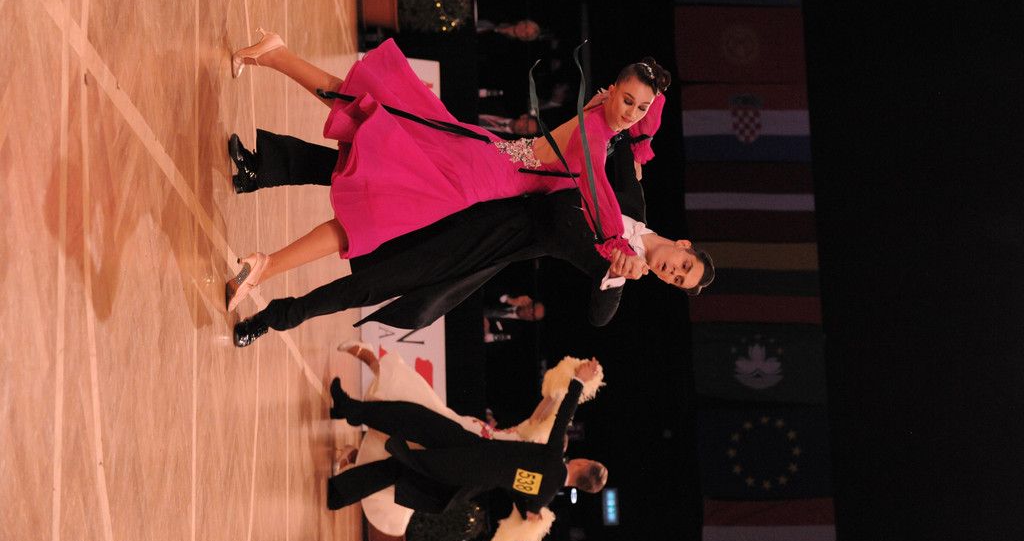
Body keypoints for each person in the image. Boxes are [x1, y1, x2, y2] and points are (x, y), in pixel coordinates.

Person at [224, 31, 667, 313]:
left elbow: (654, 106)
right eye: (628, 101)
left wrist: (640, 145)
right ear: (613, 90)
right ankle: (264, 266)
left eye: (640, 107)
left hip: (481, 153)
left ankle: (277, 54)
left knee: (371, 113)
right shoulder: (595, 138)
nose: (632, 113)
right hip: (469, 180)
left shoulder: (603, 114)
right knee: (371, 220)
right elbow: (601, 199)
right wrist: (618, 248)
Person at [228, 130, 715, 346]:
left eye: (676, 281)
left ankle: (275, 317)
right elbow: (618, 132)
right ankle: (263, 168)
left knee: (372, 284)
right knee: (380, 171)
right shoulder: (633, 201)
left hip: (478, 242)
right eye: (683, 267)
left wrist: (614, 276)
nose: (673, 272)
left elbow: (600, 317)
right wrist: (642, 118)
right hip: (485, 184)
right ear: (684, 246)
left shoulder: (619, 271)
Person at [339, 342, 605, 538]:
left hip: (475, 452)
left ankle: (353, 454)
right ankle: (366, 377)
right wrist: (533, 514)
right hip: (474, 441)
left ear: (582, 462)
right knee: (417, 417)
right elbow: (547, 408)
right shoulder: (542, 479)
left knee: (414, 434)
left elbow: (553, 414)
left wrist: (577, 381)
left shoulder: (547, 456)